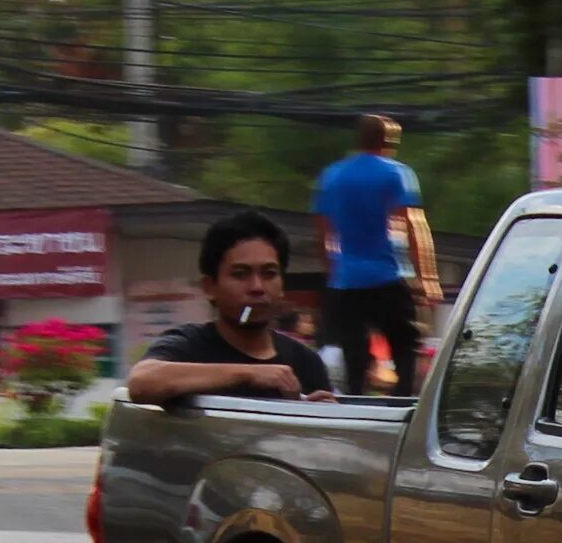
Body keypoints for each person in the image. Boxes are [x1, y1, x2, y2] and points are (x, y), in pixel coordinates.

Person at [127, 210, 334, 405]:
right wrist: (249, 373)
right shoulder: (189, 345)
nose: (257, 287)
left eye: (269, 273)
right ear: (210, 287)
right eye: (240, 274)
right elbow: (142, 382)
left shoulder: (305, 361)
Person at [314, 113, 442, 396]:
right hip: (389, 277)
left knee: (354, 355)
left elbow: (323, 233)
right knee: (404, 349)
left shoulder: (332, 175)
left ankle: (356, 405)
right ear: (388, 141)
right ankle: (402, 406)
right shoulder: (396, 172)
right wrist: (428, 277)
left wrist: (333, 273)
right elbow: (413, 225)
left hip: (347, 282)